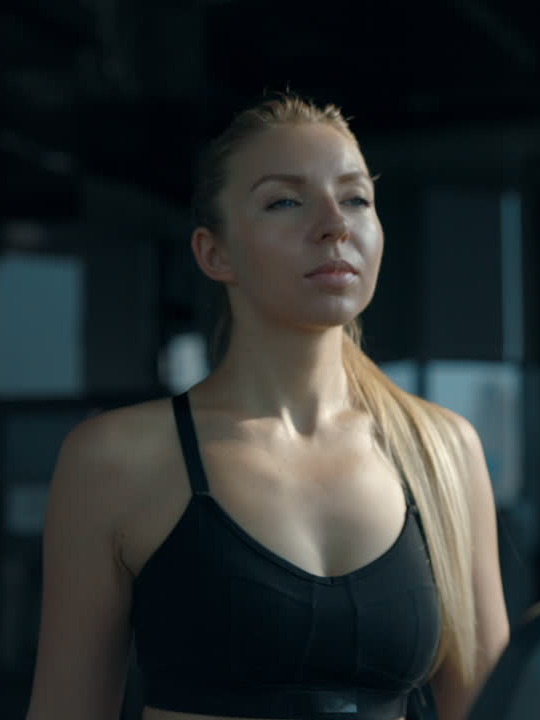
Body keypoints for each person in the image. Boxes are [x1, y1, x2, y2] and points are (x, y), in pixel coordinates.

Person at [25, 93, 510, 720]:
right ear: (214, 254)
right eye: (285, 200)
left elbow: (489, 707)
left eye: (356, 198)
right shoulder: (116, 460)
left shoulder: (442, 450)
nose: (336, 224)